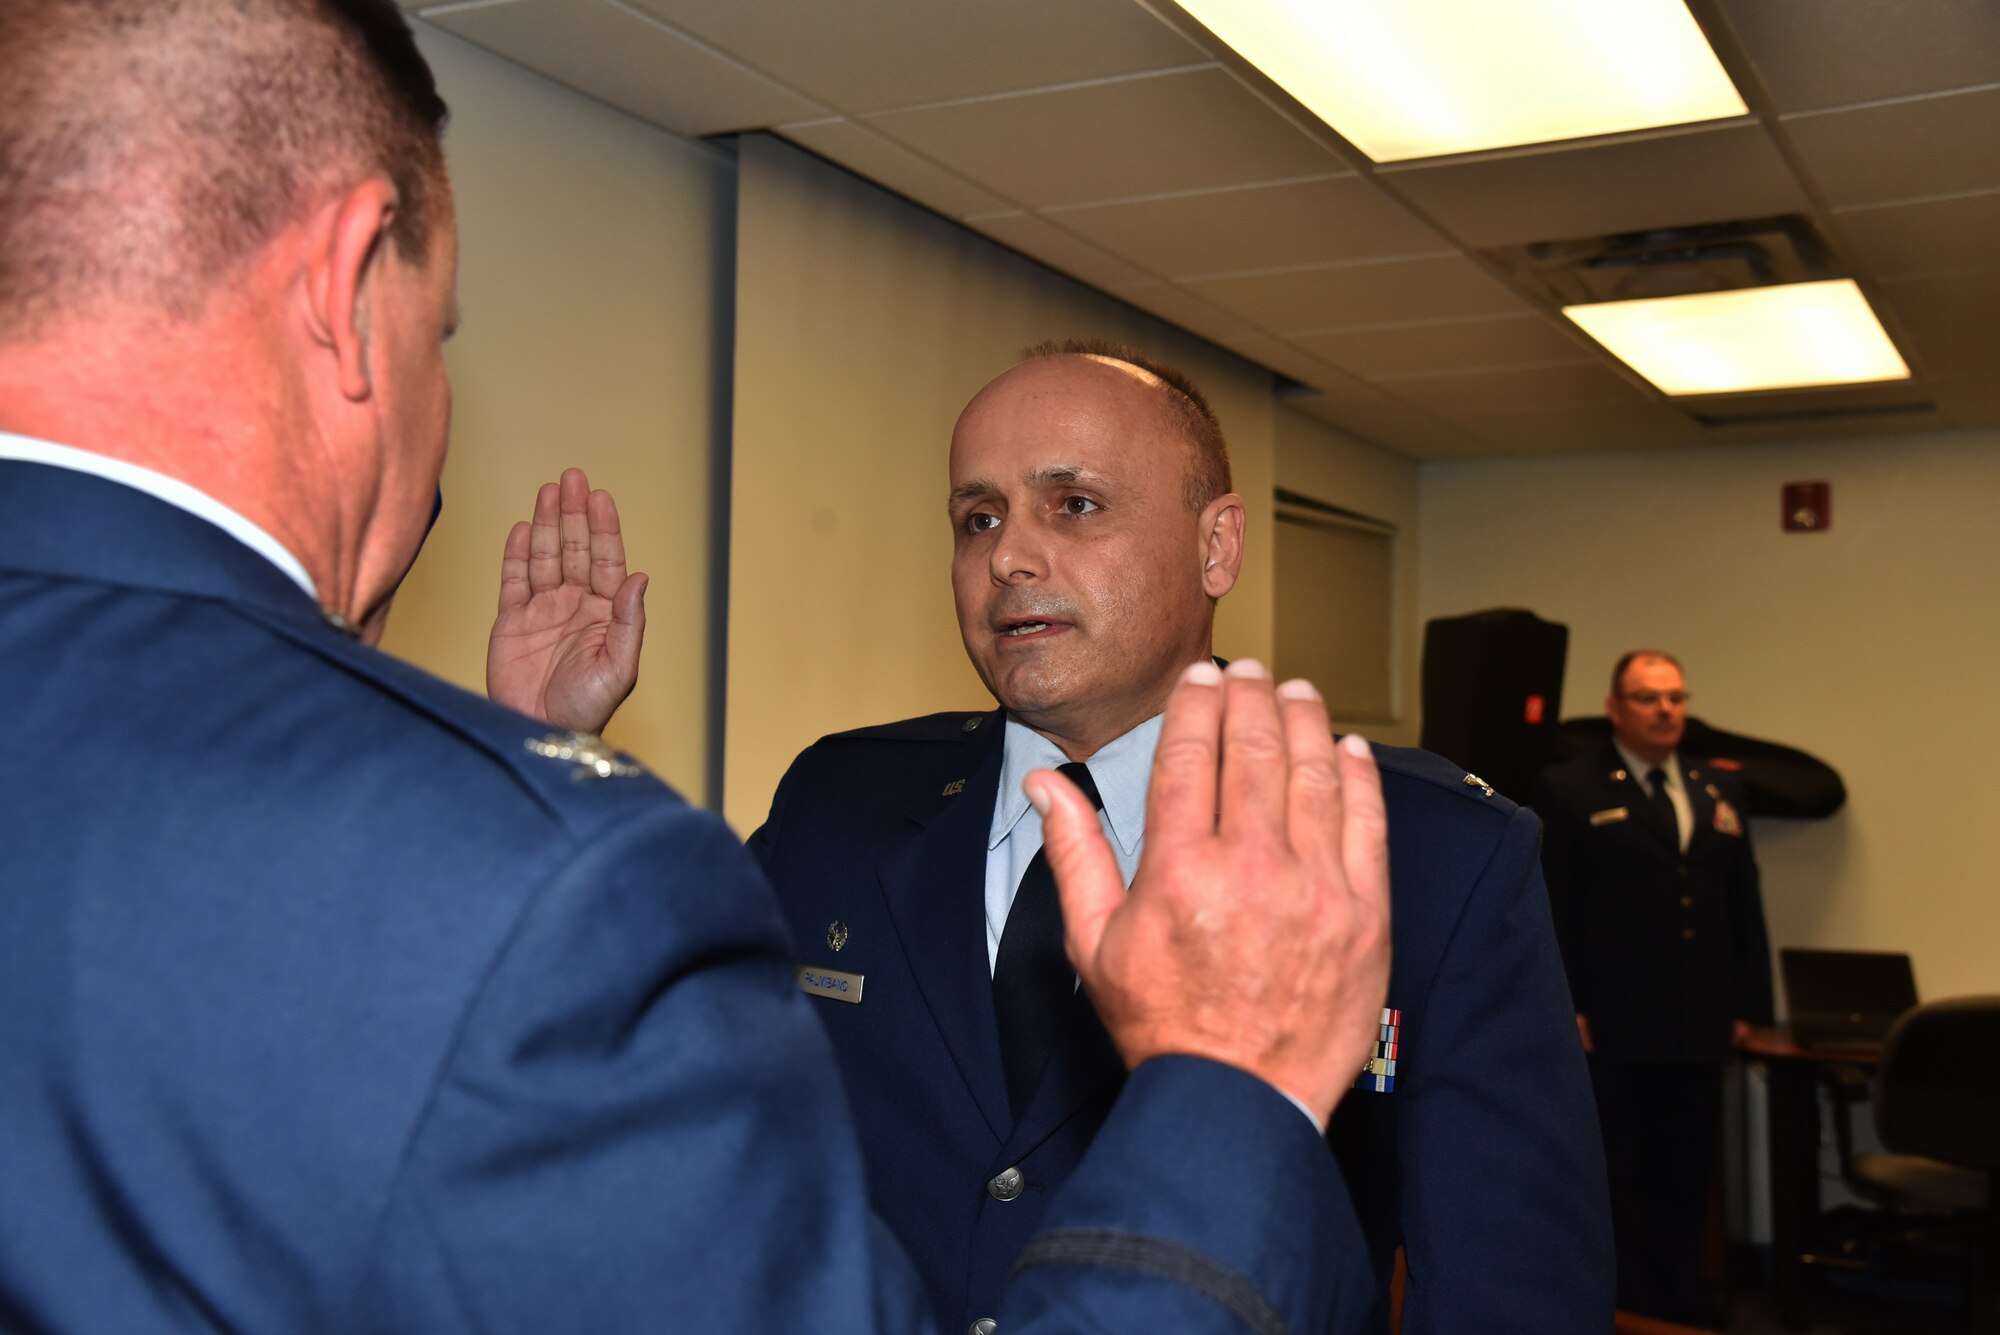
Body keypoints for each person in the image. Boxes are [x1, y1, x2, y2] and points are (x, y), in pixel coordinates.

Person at [0, 3, 1397, 1330]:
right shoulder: (604, 872)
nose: (1013, 557)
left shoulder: (1417, 840)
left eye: (1073, 505)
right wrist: (1229, 1081)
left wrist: (480, 769)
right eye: (445, 334)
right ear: (348, 279)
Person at [737, 341, 1613, 1334]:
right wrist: (545, 751)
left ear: (1216, 548)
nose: (1007, 557)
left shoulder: (1431, 856)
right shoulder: (837, 800)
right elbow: (669, 1097)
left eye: (1072, 504)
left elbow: (1513, 1294)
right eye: (977, 518)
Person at [1532, 650, 1774, 1326]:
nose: (1666, 710)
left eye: (1675, 697)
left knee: (1686, 1177)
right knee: (1617, 1176)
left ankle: (1677, 1304)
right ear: (1614, 708)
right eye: (1648, 697)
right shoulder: (1569, 787)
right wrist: (1564, 1004)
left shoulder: (1716, 788)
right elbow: (1550, 905)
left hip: (1699, 1023)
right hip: (1610, 1024)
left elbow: (1741, 900)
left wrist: (1751, 1005)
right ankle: (1619, 1306)